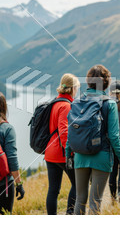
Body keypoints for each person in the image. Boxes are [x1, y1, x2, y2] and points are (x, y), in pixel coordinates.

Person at [65, 65, 120, 215]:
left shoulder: (76, 102)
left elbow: (71, 131)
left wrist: (68, 154)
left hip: (80, 155)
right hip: (102, 156)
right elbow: (114, 136)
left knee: (80, 199)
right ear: (106, 82)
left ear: (88, 81)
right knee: (95, 202)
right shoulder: (109, 103)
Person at [44, 74, 79, 215]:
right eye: (77, 88)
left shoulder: (55, 102)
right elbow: (64, 132)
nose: (77, 91)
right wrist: (70, 152)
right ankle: (70, 214)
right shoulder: (65, 106)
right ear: (72, 89)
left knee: (53, 189)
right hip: (61, 153)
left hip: (50, 153)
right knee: (78, 185)